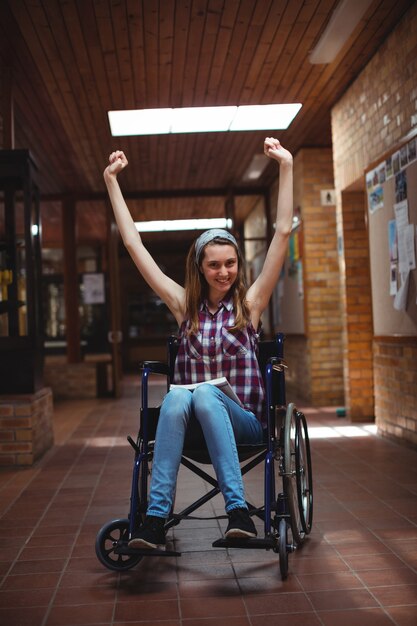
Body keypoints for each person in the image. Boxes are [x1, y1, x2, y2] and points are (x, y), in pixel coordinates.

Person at [103, 137, 293, 550]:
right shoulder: (183, 307)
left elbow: (281, 233)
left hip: (242, 423)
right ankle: (155, 520)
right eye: (214, 264)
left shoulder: (251, 304)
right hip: (190, 426)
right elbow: (134, 245)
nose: (224, 271)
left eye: (230, 263)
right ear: (201, 268)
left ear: (238, 265)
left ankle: (237, 511)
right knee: (173, 399)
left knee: (206, 394)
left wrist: (286, 166)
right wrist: (111, 181)